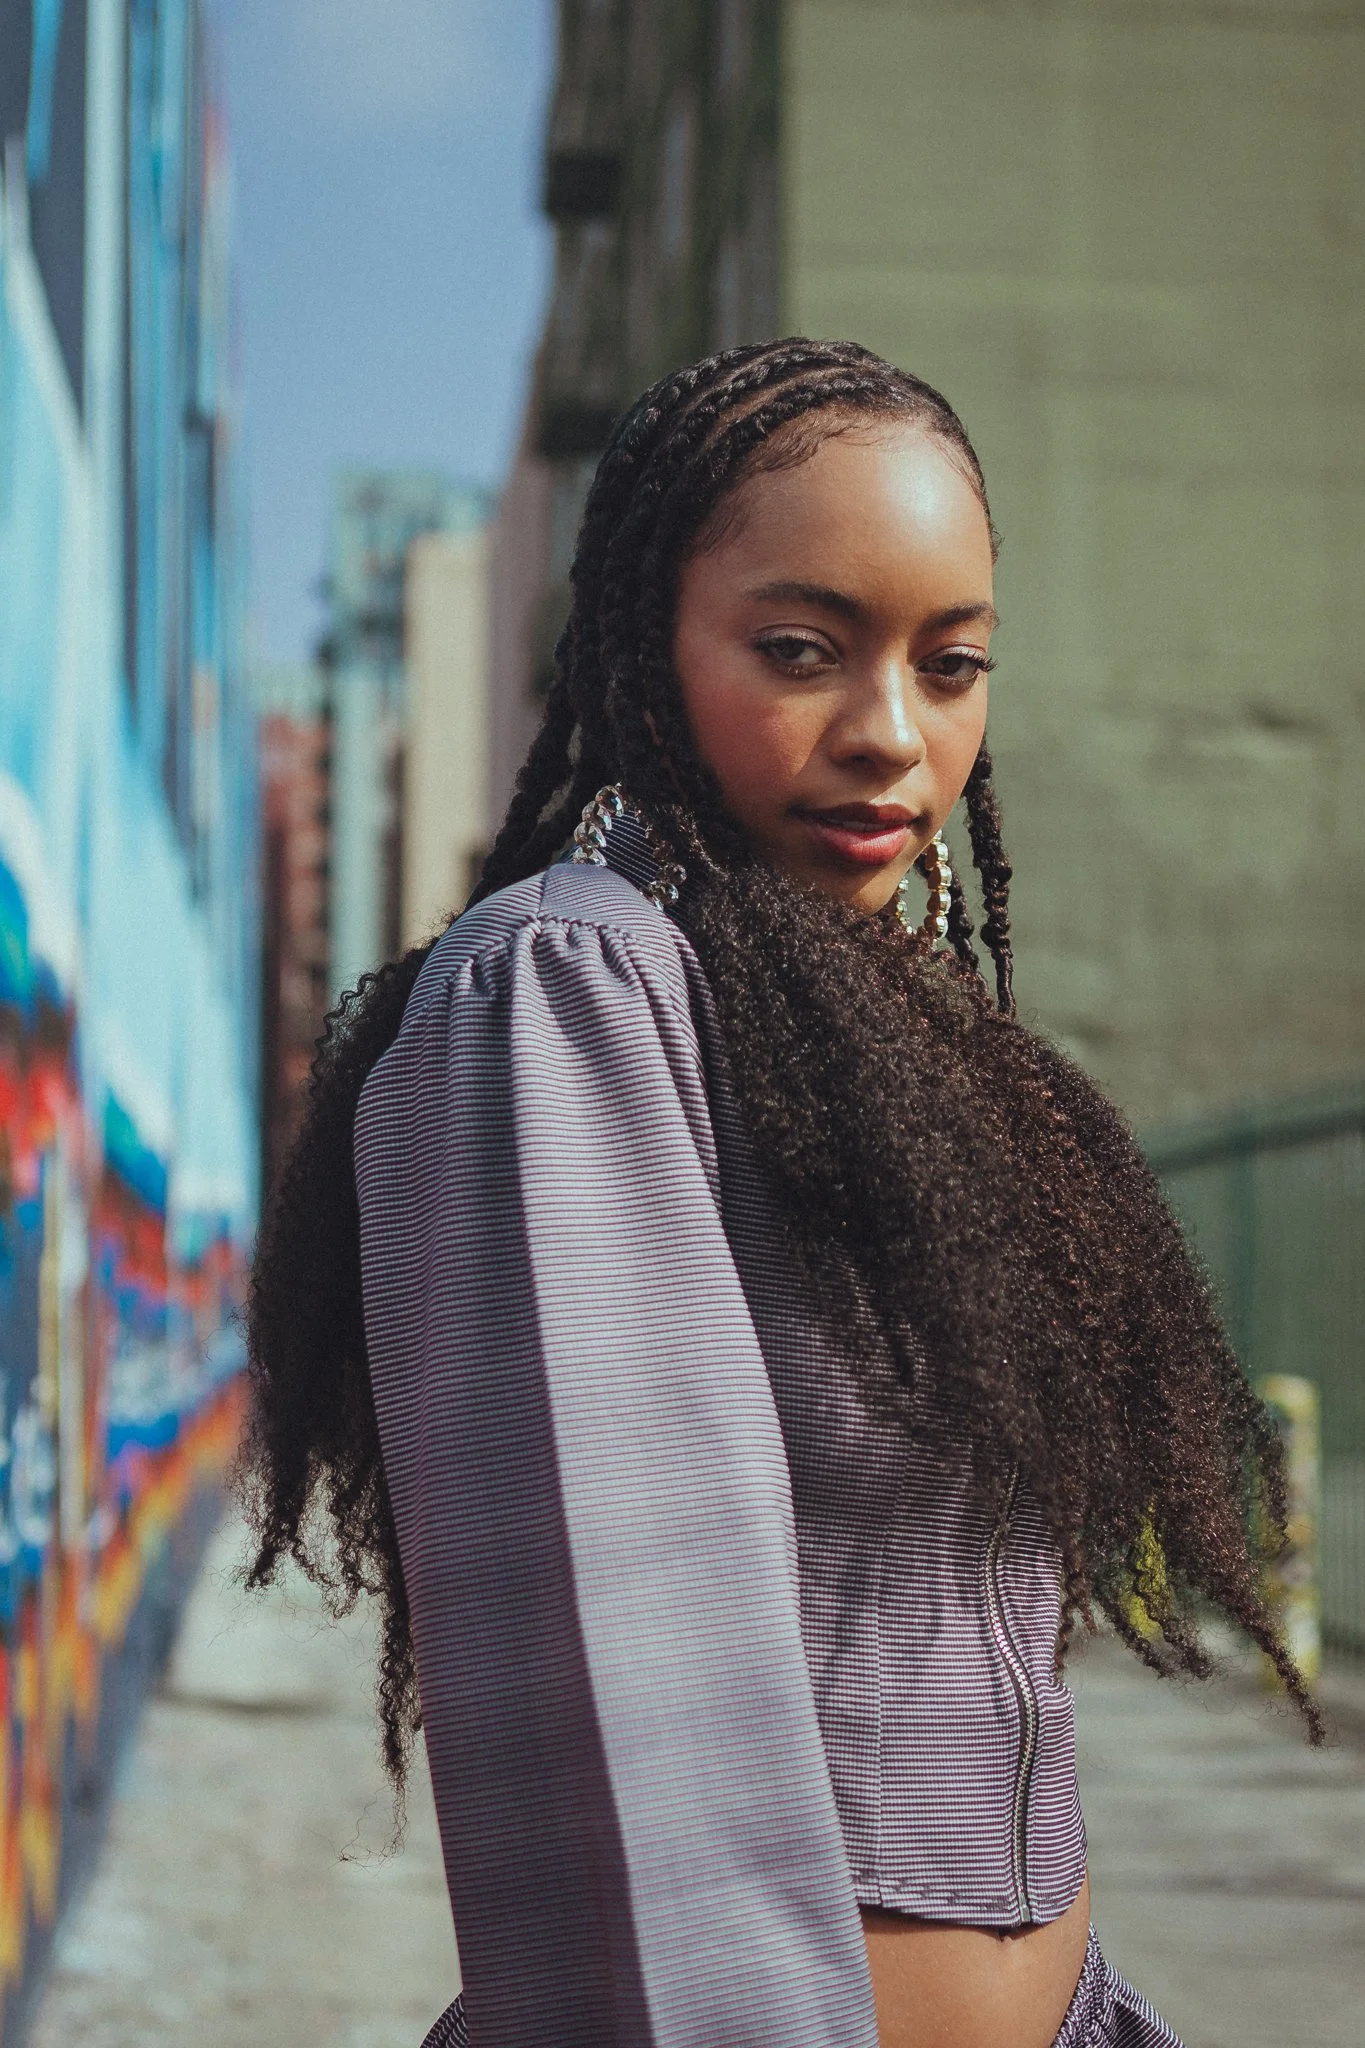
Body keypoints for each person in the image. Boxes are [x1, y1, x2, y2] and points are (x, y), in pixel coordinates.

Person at [242, 339, 1320, 2048]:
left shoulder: (914, 1052)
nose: (894, 734)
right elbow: (620, 1736)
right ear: (644, 649)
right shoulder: (574, 995)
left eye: (953, 664)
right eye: (802, 650)